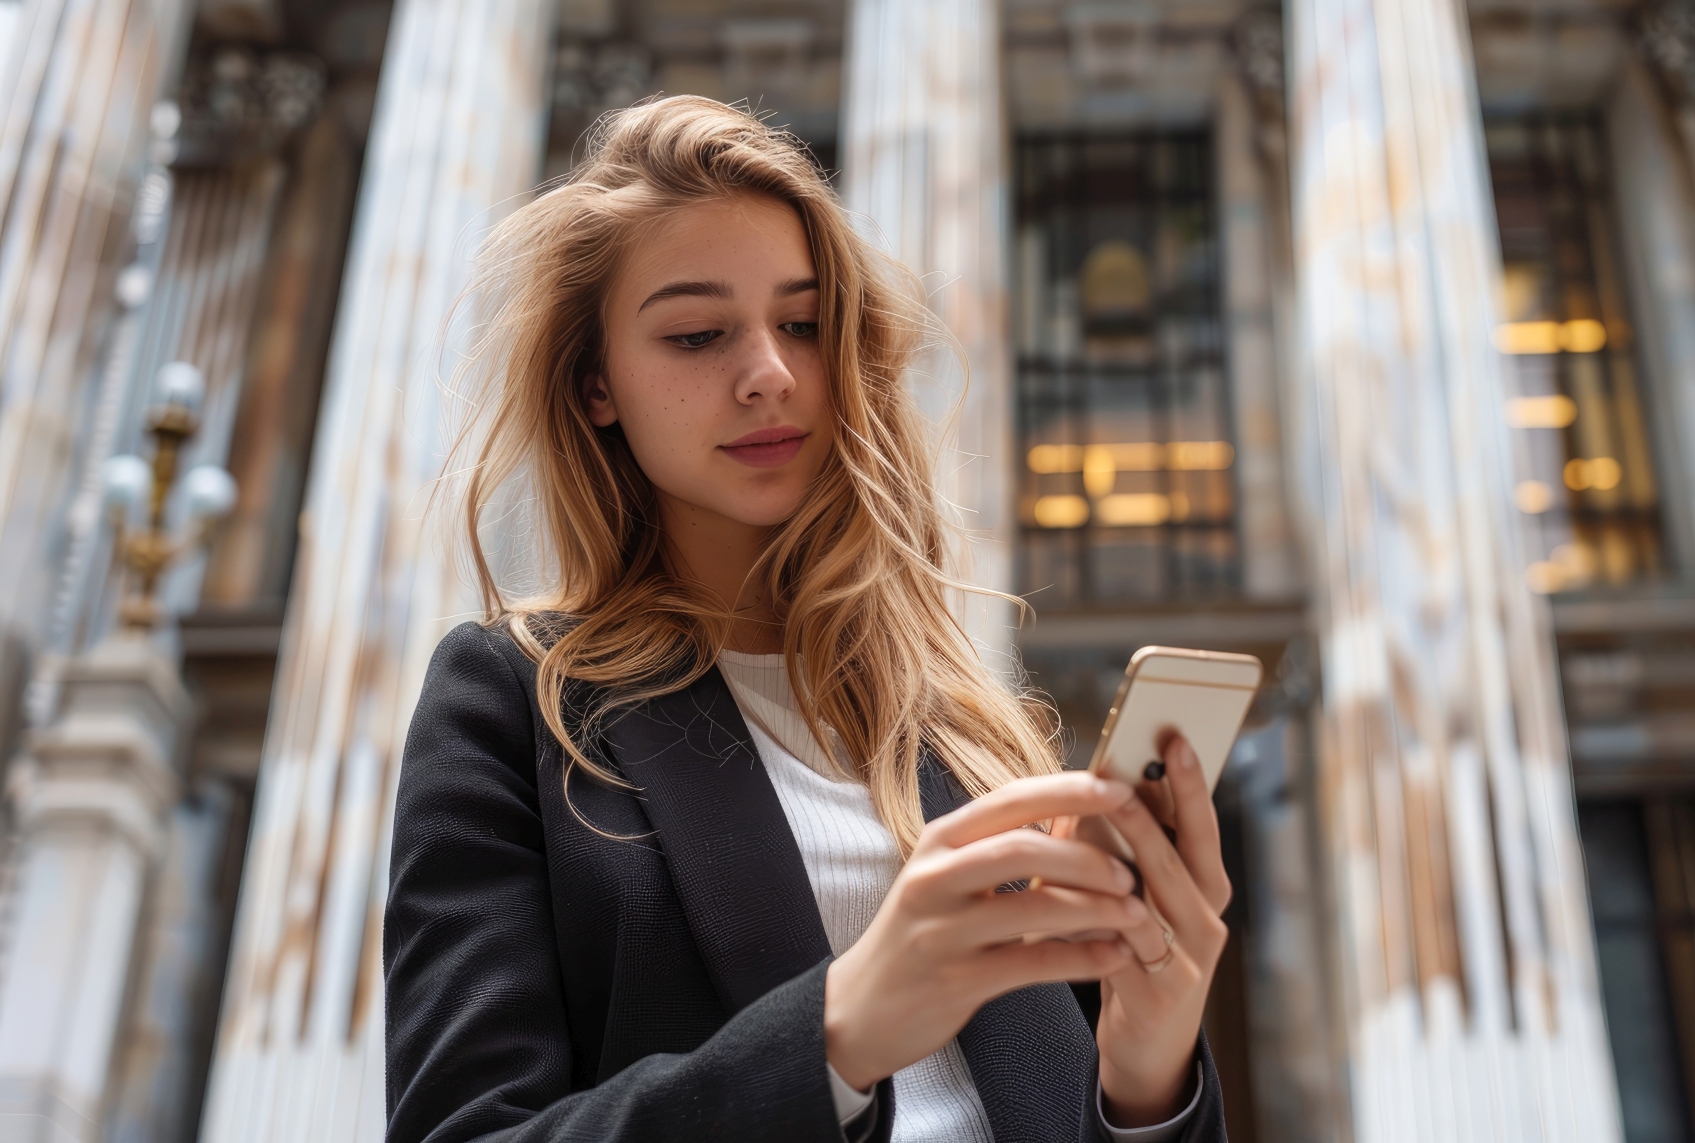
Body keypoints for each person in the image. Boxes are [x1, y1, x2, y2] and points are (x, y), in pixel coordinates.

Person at [383, 95, 1233, 1143]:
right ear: (596, 383)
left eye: (803, 323)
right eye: (697, 334)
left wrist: (1147, 1084)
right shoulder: (510, 701)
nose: (770, 375)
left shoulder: (962, 734)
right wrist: (838, 1032)